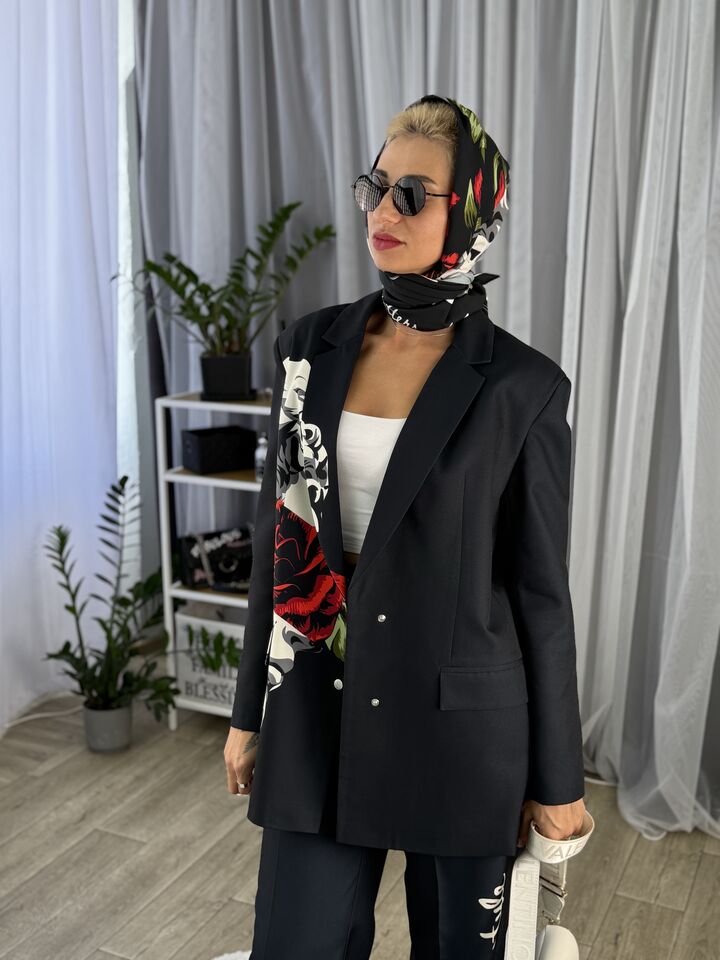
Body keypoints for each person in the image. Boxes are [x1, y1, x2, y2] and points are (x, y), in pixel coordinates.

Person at [224, 94, 587, 959]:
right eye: (376, 187)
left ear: (472, 214)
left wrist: (558, 778)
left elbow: (540, 593)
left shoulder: (523, 388)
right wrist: (248, 712)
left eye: (413, 195)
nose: (383, 212)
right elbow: (281, 543)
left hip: (460, 734)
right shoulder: (309, 347)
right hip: (316, 712)